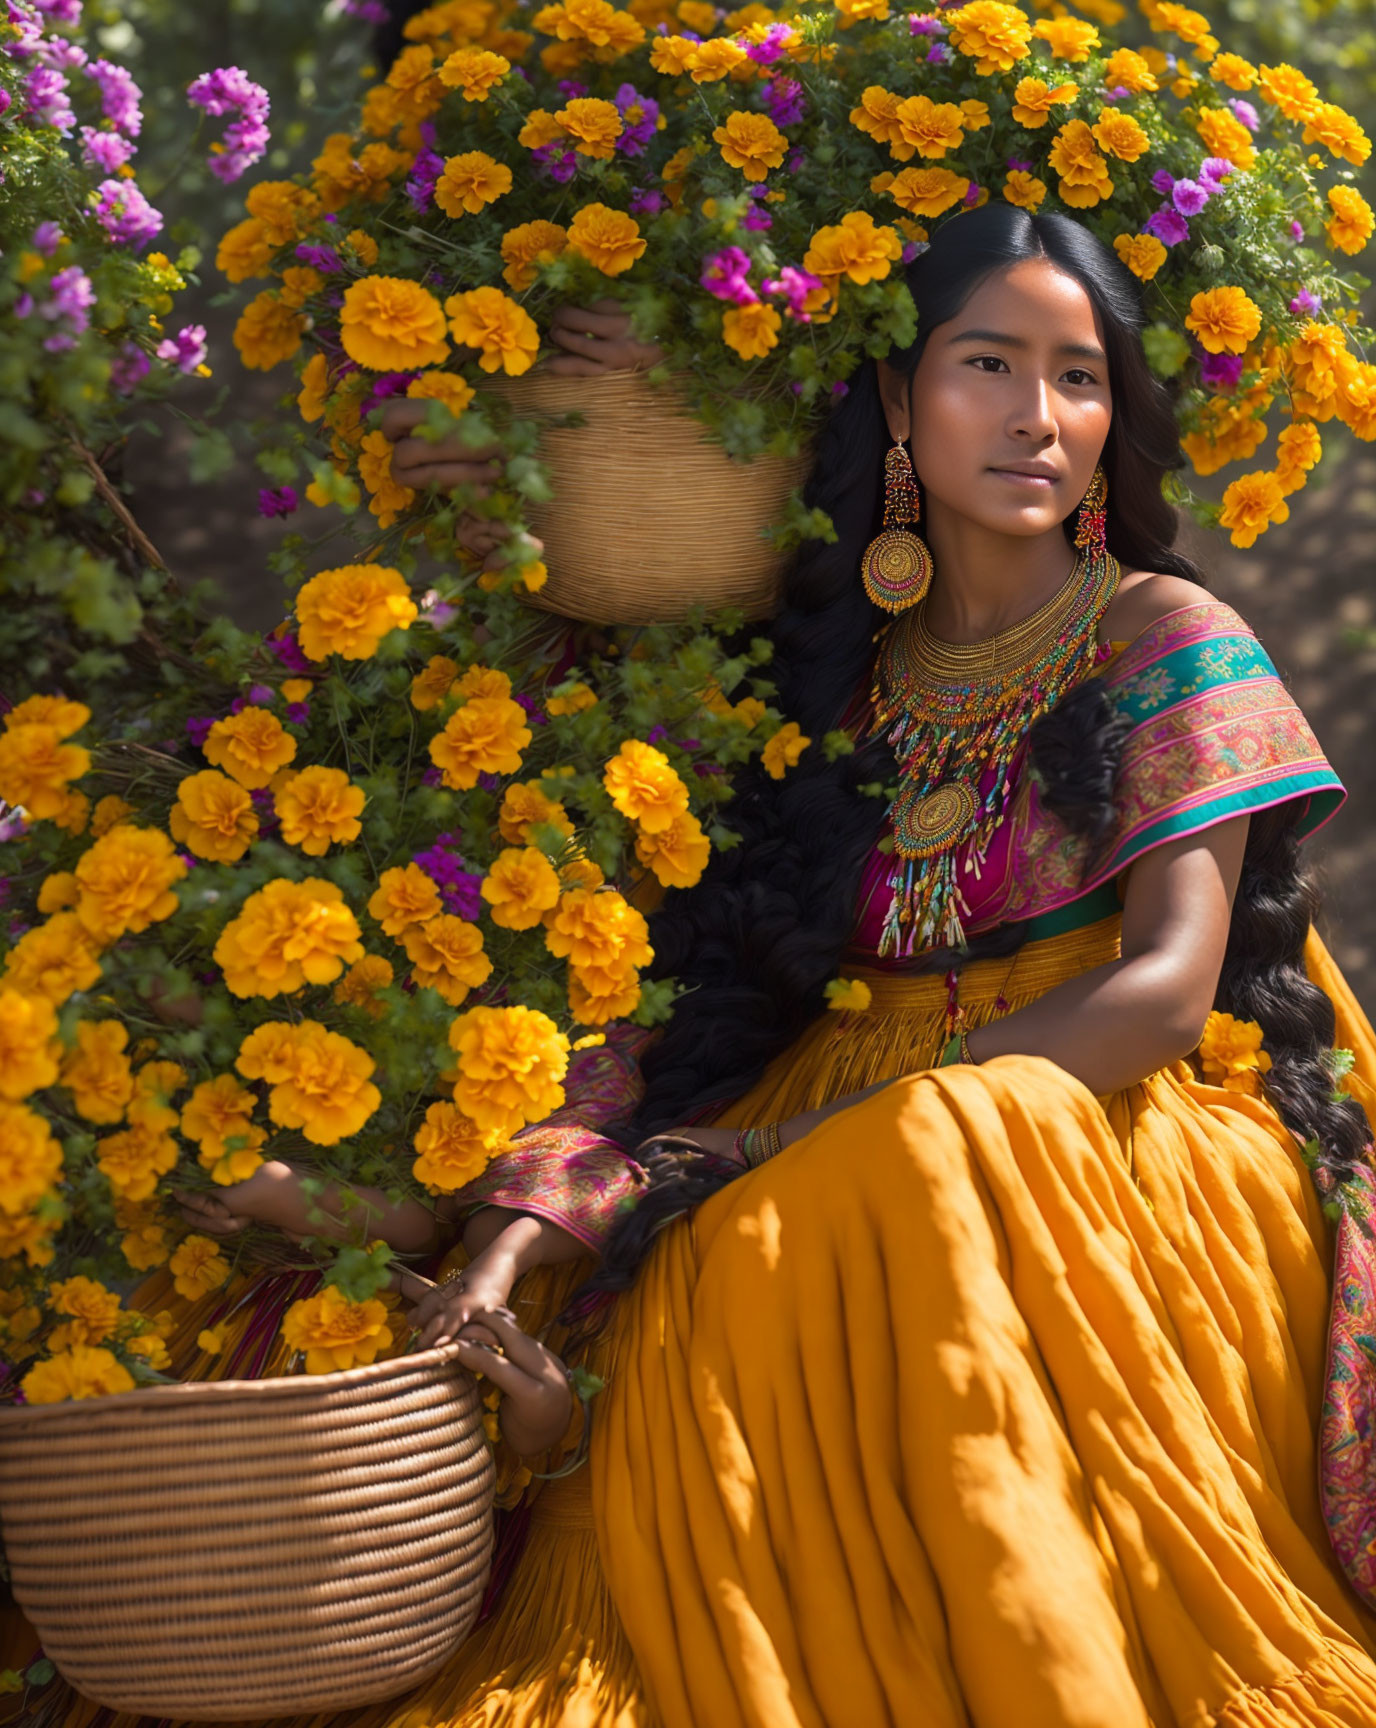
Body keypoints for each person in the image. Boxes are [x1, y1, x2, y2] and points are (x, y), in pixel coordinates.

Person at [49, 202, 1376, 1728]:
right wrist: (567, 1198)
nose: (1039, 418)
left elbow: (1163, 990)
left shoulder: (1163, 631)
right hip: (810, 1119)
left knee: (918, 1157)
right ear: (894, 402)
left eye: (1080, 379)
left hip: (1091, 1110)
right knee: (672, 1245)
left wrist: (798, 1142)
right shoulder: (821, 682)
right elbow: (698, 1000)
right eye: (989, 364)